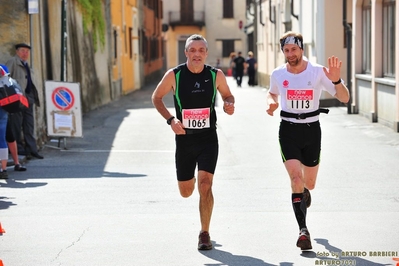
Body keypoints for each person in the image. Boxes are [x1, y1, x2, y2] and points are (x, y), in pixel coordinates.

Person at [265, 31, 349, 251]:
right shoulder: (277, 73)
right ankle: (303, 231)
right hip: (288, 130)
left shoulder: (318, 72)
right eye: (286, 50)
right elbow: (272, 93)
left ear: (301, 49)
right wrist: (270, 103)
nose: (290, 54)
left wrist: (337, 79)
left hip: (312, 130)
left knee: (308, 183)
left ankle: (304, 192)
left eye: (294, 49)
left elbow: (344, 97)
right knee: (295, 178)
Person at [151, 34, 235, 250]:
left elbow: (228, 95)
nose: (197, 54)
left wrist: (229, 104)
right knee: (187, 191)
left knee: (205, 185)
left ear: (206, 53)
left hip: (208, 139)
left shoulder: (215, 75)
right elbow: (156, 97)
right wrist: (171, 120)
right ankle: (195, 182)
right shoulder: (174, 75)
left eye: (201, 50)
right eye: (192, 50)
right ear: (186, 52)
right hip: (184, 141)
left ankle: (204, 233)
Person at [6, 43, 43, 160]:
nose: (25, 53)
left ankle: (32, 149)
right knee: (16, 125)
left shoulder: (27, 65)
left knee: (29, 124)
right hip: (17, 99)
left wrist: (32, 96)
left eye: (27, 51)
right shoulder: (13, 62)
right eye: (22, 51)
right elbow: (5, 79)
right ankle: (18, 149)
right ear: (17, 52)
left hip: (28, 98)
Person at [0, 64, 27, 172]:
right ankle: (6, 168)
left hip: (4, 109)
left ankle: (12, 164)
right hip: (5, 108)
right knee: (5, 138)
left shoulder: (2, 67)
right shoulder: (2, 67)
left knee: (8, 137)